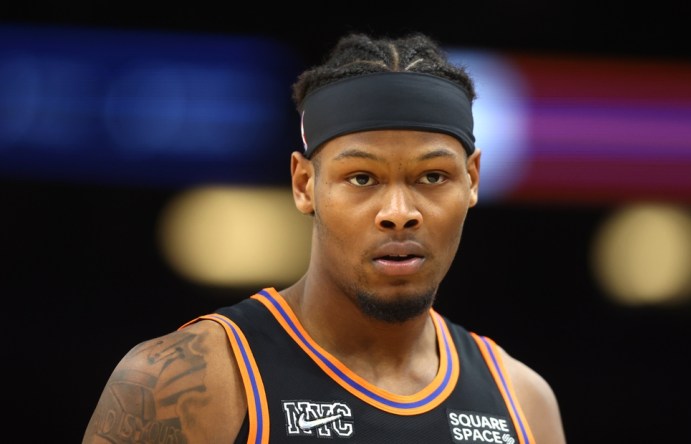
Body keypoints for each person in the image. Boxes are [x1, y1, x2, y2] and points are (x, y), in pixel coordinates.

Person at [82, 32, 566, 444]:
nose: (399, 214)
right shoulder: (188, 379)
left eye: (432, 177)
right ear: (304, 184)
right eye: (361, 178)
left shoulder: (523, 402)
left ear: (473, 180)